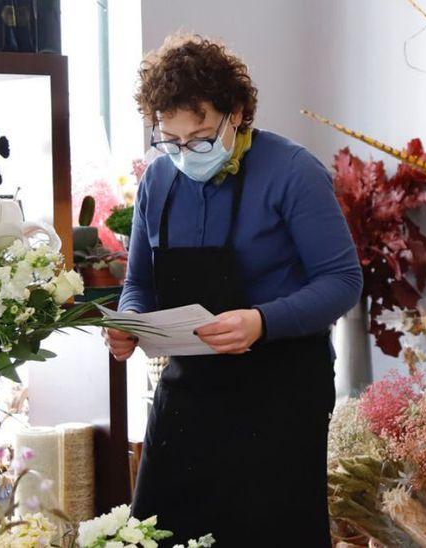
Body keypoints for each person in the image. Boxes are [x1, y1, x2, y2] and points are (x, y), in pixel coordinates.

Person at [102, 32, 361, 546]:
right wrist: (128, 324)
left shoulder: (292, 172)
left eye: (199, 138)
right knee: (155, 531)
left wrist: (261, 322)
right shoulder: (158, 180)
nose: (184, 154)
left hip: (282, 390)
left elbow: (343, 281)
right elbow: (139, 284)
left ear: (237, 112)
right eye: (169, 141)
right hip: (189, 390)